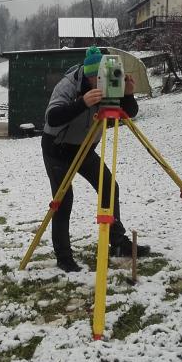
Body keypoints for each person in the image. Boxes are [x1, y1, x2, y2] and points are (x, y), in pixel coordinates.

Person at [42, 46, 151, 273]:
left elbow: (128, 112)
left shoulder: (112, 80)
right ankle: (64, 257)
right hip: (57, 148)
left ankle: (117, 243)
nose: (97, 82)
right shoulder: (68, 85)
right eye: (93, 77)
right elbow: (52, 118)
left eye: (99, 77)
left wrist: (128, 92)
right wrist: (82, 102)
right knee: (63, 201)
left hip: (84, 147)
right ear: (87, 73)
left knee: (109, 187)